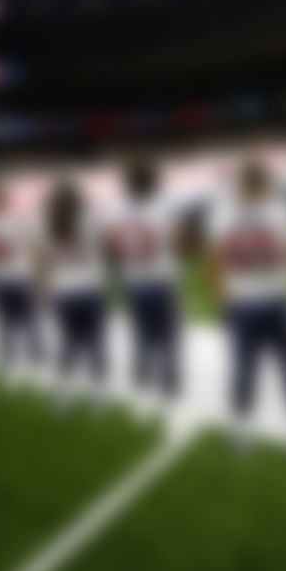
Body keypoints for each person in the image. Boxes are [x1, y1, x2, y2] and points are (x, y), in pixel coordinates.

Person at [207, 157, 286, 450]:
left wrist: (221, 300)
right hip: (277, 299)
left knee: (244, 367)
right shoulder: (282, 211)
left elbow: (216, 262)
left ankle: (241, 428)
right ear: (266, 183)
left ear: (241, 184)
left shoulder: (223, 214)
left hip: (242, 303)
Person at [105, 158, 186, 406]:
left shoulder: (116, 209)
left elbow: (113, 246)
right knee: (168, 335)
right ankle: (168, 380)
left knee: (141, 333)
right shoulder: (165, 206)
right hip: (162, 279)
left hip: (135, 280)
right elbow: (178, 241)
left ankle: (141, 375)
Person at [41, 180, 111, 407]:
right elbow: (106, 247)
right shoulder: (92, 220)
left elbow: (45, 262)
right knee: (95, 344)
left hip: (63, 291)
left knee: (66, 345)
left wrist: (44, 291)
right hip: (90, 290)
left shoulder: (49, 225)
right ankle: (99, 394)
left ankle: (63, 394)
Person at [0, 181, 44, 378]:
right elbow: (33, 247)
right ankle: (32, 355)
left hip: (1, 279)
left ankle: (10, 357)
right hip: (16, 277)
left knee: (8, 323)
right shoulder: (15, 221)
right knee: (24, 320)